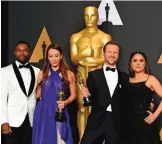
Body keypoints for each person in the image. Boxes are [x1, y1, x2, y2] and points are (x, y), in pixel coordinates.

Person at [70, 6, 112, 140]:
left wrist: (88, 59)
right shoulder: (76, 37)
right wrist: (84, 53)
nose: (89, 19)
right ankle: (83, 140)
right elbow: (74, 58)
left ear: (98, 17)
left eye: (92, 16)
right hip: (82, 75)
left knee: (98, 110)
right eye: (86, 16)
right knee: (82, 108)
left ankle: (97, 140)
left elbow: (108, 58)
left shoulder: (105, 37)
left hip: (98, 77)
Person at [79, 41, 129, 144]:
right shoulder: (93, 75)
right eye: (109, 52)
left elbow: (128, 99)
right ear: (104, 53)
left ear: (118, 55)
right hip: (97, 119)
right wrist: (86, 96)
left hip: (116, 121)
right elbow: (90, 101)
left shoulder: (125, 77)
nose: (112, 55)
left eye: (115, 52)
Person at [32, 43, 76, 144]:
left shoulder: (69, 74)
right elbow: (38, 96)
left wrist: (65, 102)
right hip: (43, 110)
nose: (54, 59)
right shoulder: (42, 73)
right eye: (50, 56)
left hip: (59, 110)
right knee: (43, 139)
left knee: (60, 138)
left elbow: (73, 95)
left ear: (61, 56)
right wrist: (39, 84)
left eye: (56, 56)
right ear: (47, 57)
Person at [1, 41, 40, 144]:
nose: (22, 53)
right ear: (14, 53)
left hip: (32, 119)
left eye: (25, 50)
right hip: (13, 120)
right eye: (18, 50)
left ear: (30, 52)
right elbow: (1, 98)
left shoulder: (37, 71)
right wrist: (3, 121)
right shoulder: (4, 71)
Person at [126, 51, 162, 144]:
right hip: (128, 124)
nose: (138, 63)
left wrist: (154, 115)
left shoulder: (151, 79)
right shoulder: (126, 80)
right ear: (130, 63)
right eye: (135, 60)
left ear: (145, 63)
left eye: (141, 60)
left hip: (146, 125)